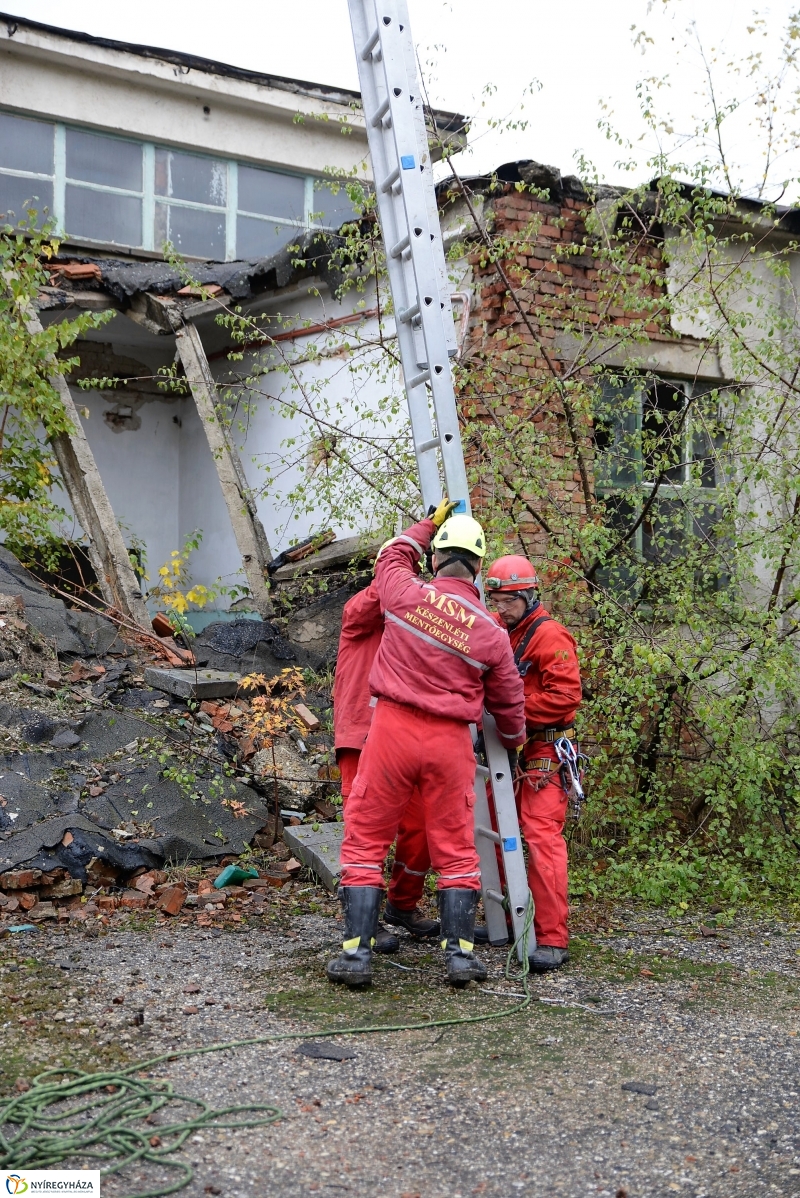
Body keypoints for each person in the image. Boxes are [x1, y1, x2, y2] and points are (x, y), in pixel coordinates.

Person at [327, 501, 526, 990]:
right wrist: (515, 743)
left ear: (435, 558)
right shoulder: (492, 632)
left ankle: (356, 958)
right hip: (450, 742)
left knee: (366, 839)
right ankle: (460, 959)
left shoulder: (405, 593)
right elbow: (509, 704)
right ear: (478, 566)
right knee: (456, 847)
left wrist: (427, 524)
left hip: (391, 731)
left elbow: (392, 554)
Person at [482, 554, 583, 972]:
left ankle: (553, 938)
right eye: (495, 601)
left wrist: (510, 708)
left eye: (508, 601)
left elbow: (566, 697)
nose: (500, 608)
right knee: (492, 826)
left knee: (542, 838)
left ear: (528, 595)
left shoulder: (549, 634)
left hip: (545, 750)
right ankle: (511, 919)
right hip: (508, 749)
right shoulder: (504, 630)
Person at [334, 558, 440, 948]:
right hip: (361, 738)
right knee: (364, 832)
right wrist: (399, 571)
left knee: (424, 825)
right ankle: (362, 922)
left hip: (403, 738)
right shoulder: (362, 611)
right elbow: (365, 606)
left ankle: (402, 904)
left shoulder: (414, 617)